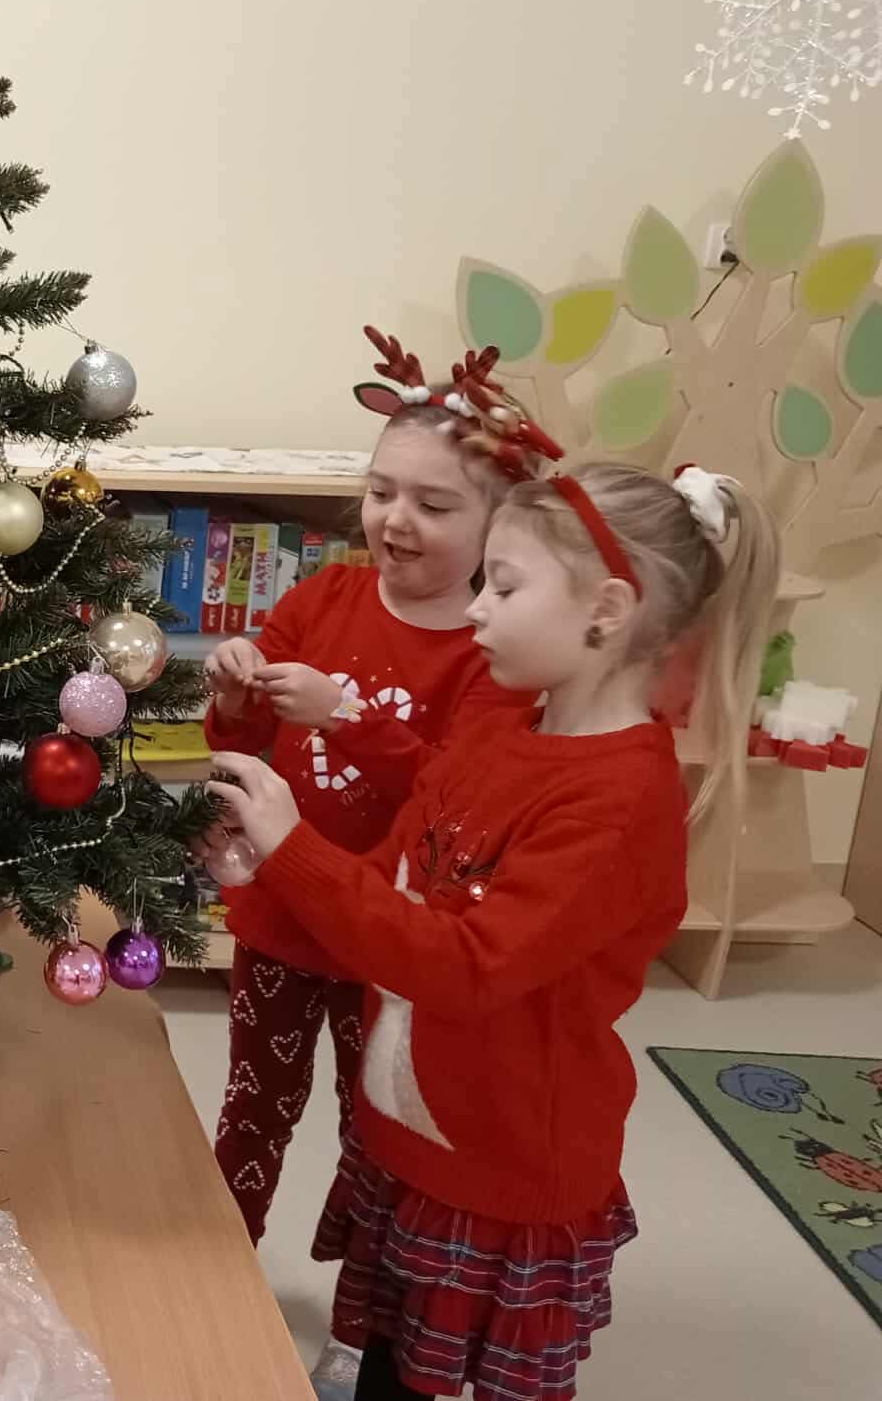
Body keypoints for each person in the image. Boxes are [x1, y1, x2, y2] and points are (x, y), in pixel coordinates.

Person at [204, 462, 778, 1401]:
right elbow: (392, 882)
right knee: (387, 1362)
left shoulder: (619, 804)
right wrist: (263, 862)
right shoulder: (501, 729)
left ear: (606, 612)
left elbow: (466, 967)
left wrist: (295, 848)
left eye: (504, 588)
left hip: (496, 1170)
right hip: (405, 1140)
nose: (476, 610)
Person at [204, 331, 544, 1264]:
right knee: (253, 1110)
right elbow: (239, 747)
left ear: (497, 526)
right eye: (381, 492)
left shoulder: (493, 651)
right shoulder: (324, 598)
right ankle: (222, 1271)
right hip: (278, 918)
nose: (396, 519)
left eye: (434, 504)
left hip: (391, 942)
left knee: (378, 1128)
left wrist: (345, 715)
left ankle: (365, 1293)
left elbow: (455, 798)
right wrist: (233, 693)